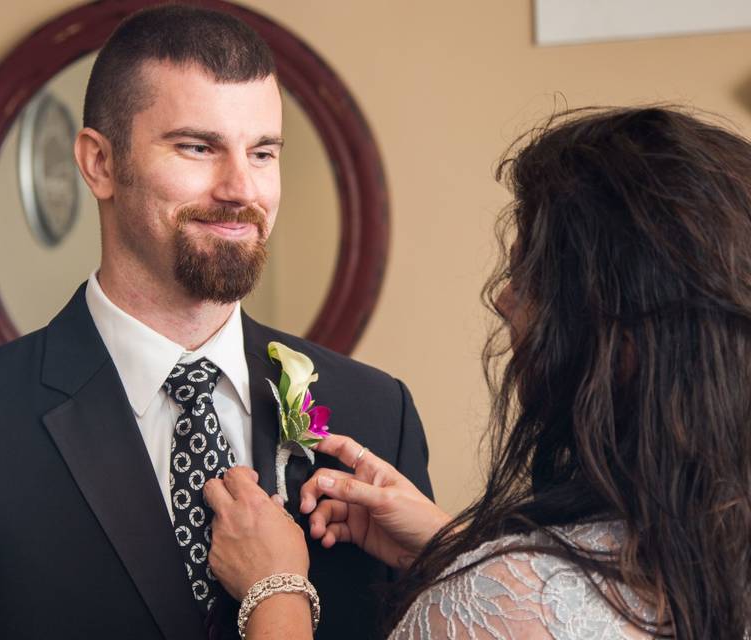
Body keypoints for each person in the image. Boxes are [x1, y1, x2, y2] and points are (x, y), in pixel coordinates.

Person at [0, 5, 433, 640]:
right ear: (99, 163)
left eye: (262, 152)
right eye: (197, 147)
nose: (241, 188)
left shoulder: (376, 415)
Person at [206, 106, 751, 639]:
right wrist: (457, 549)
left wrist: (275, 595)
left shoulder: (492, 606)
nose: (502, 298)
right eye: (198, 147)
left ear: (615, 336)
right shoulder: (718, 552)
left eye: (530, 273)